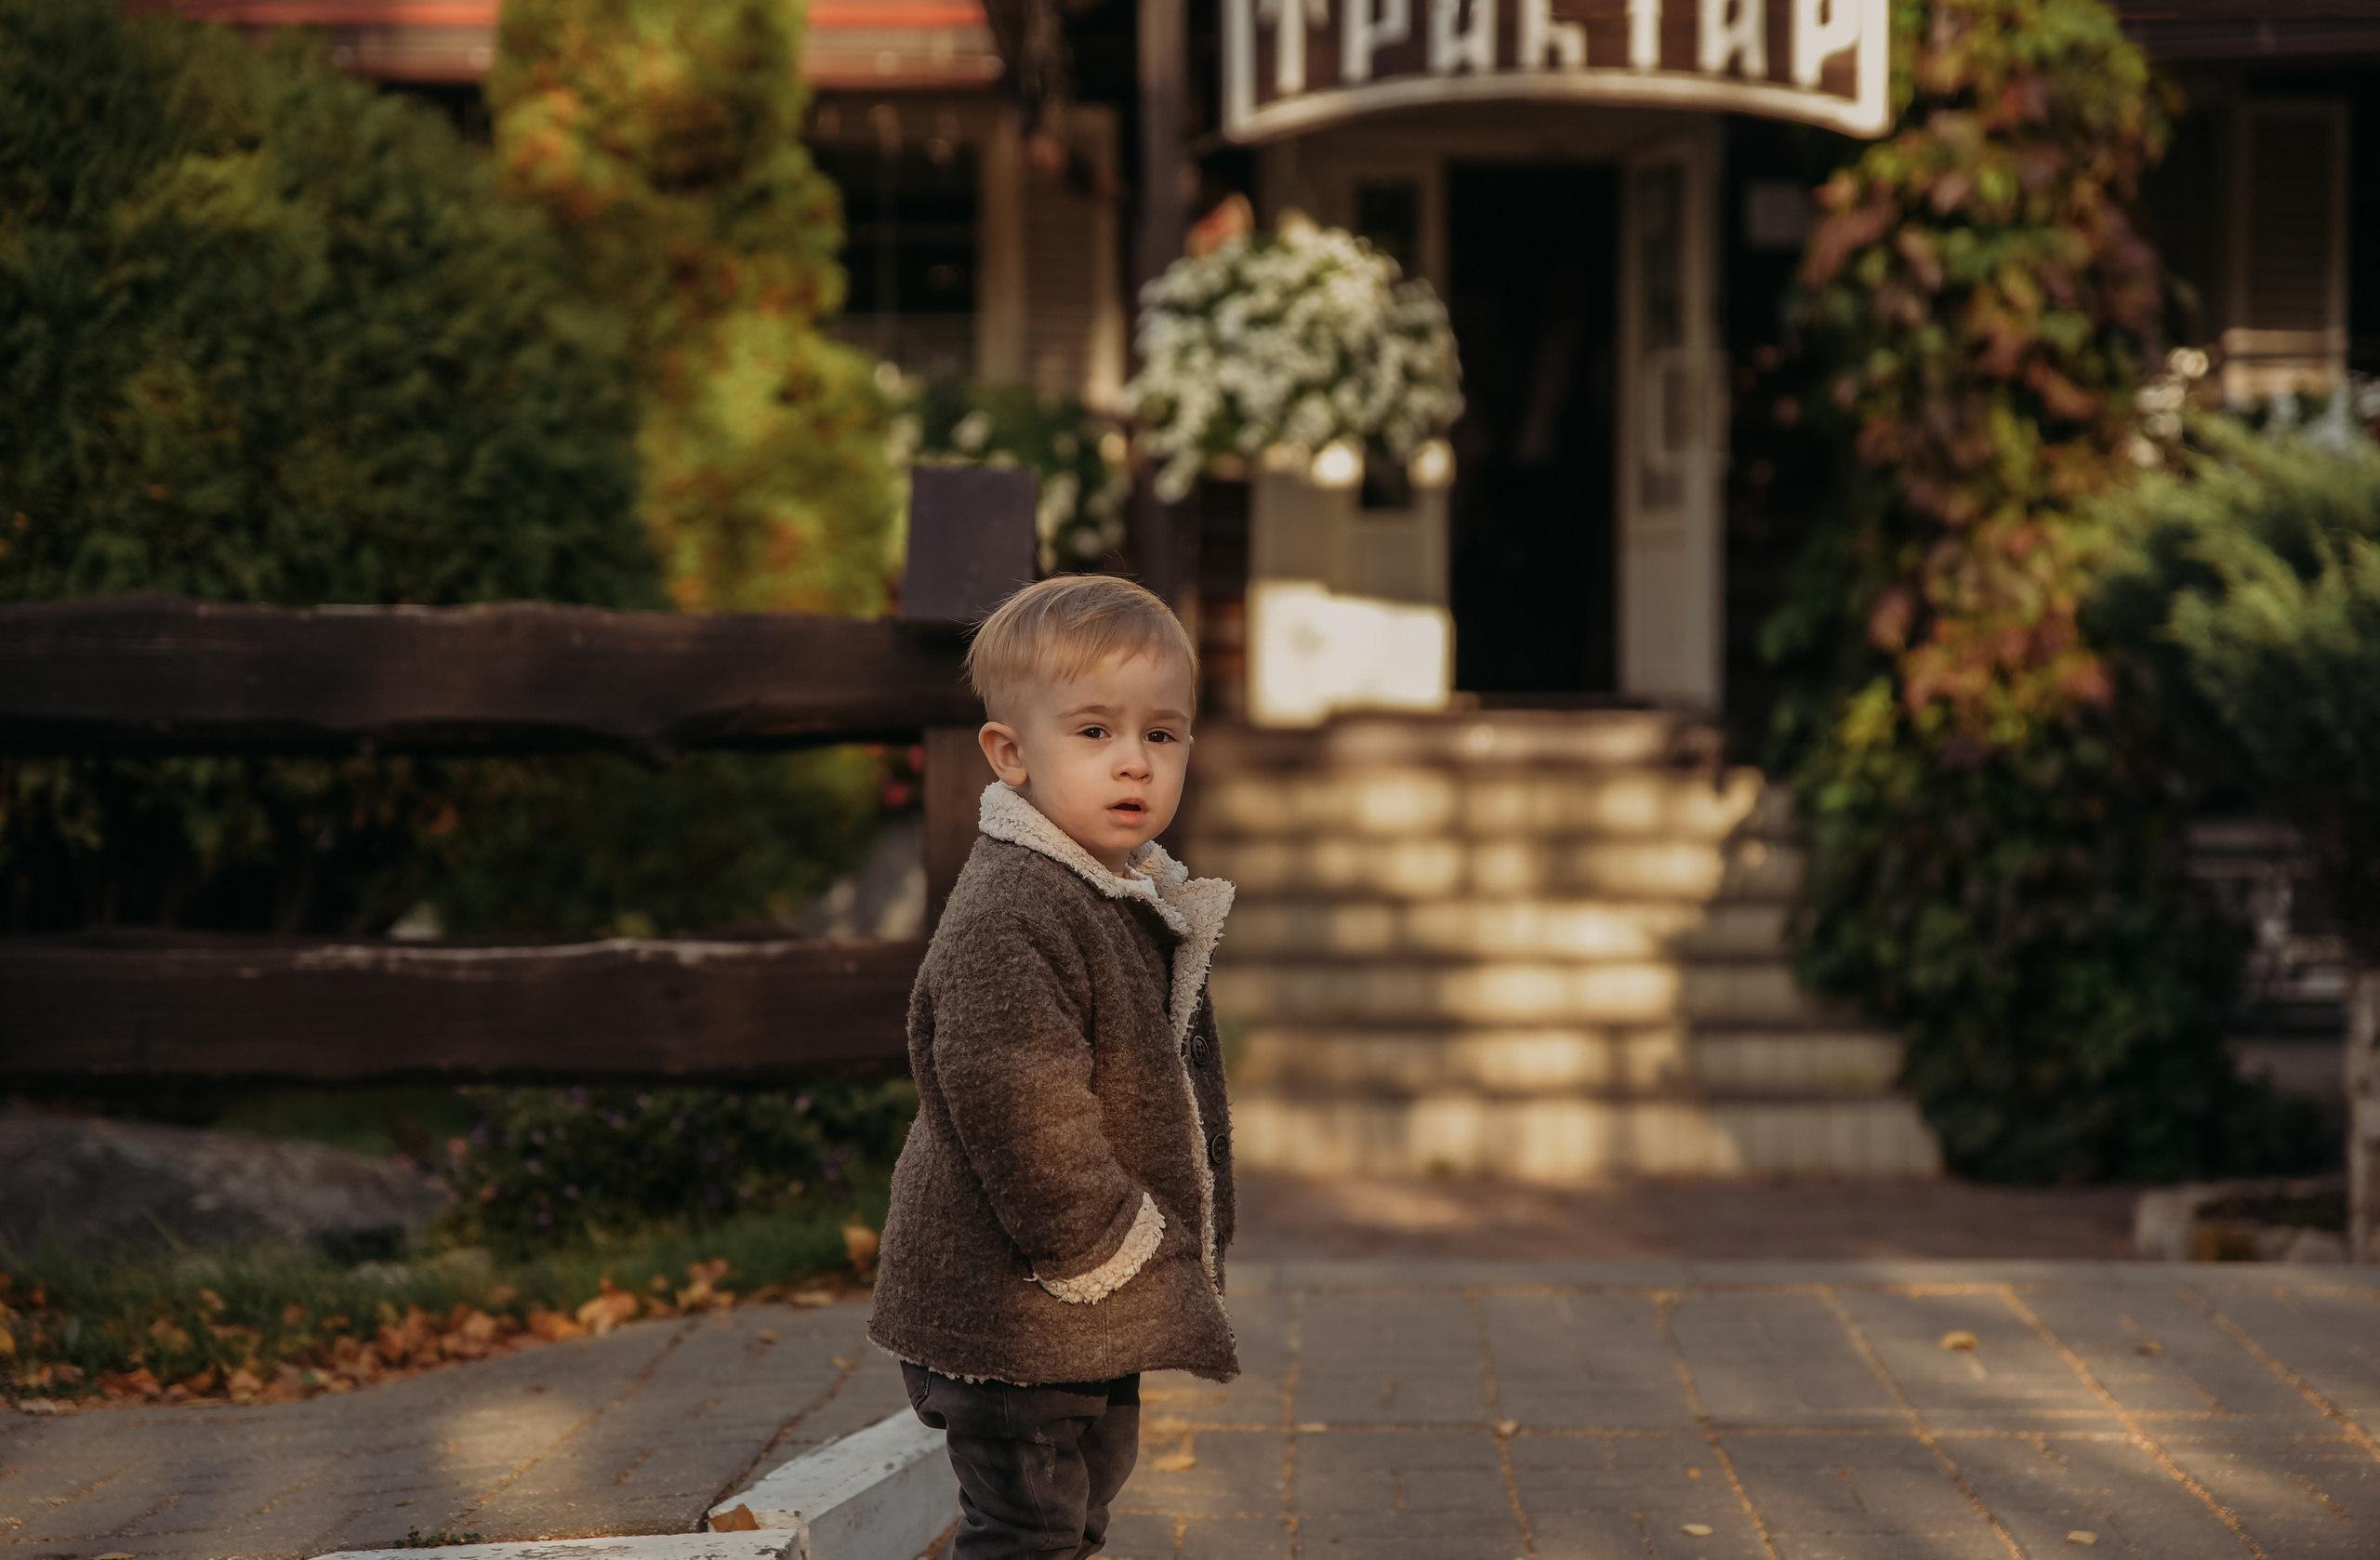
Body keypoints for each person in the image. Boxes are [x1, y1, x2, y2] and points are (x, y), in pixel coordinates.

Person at [868, 574, 1237, 1560]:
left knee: (1074, 1514)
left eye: (1161, 735)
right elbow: (1015, 1101)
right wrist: (1105, 1249)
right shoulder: (1014, 908)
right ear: (1010, 754)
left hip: (1086, 1303)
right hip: (1020, 1305)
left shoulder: (1115, 894)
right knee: (1026, 1529)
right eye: (1093, 732)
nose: (1134, 762)